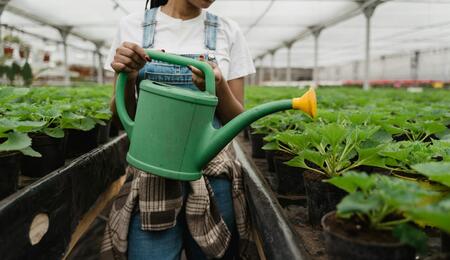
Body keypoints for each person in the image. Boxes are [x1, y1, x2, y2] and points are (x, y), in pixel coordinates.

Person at [101, 0, 255, 259]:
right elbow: (122, 118)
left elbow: (237, 120)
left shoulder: (228, 30)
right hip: (152, 176)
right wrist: (128, 76)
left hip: (212, 175)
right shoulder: (132, 26)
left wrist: (217, 86)